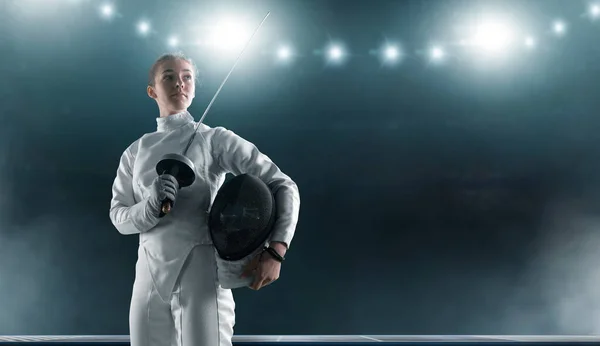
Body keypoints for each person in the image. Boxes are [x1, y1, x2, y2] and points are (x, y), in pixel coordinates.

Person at [109, 52, 301, 346]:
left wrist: (276, 250)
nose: (179, 83)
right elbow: (119, 217)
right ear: (152, 91)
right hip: (147, 277)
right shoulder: (136, 151)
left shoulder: (214, 139)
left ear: (194, 87)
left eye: (187, 76)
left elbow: (283, 184)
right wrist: (149, 207)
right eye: (169, 77)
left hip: (201, 274)